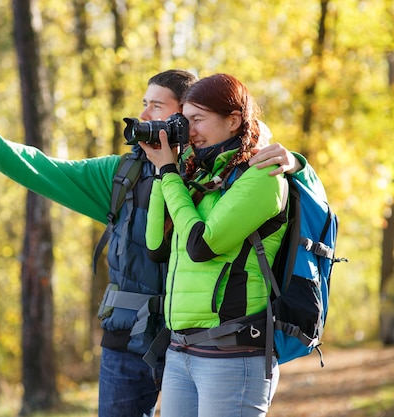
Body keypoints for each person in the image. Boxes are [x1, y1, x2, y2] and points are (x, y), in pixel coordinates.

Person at [0, 69, 308, 417]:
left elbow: (265, 177)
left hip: (214, 341)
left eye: (158, 107)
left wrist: (296, 161)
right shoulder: (126, 173)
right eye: (144, 105)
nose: (145, 117)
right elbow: (41, 168)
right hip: (134, 338)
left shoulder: (238, 168)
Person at [139, 73, 324, 417]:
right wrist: (164, 172)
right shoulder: (200, 178)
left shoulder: (261, 177)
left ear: (233, 120)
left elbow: (201, 245)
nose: (190, 130)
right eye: (186, 120)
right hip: (181, 350)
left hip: (235, 353)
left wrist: (168, 171)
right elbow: (155, 248)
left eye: (198, 120)